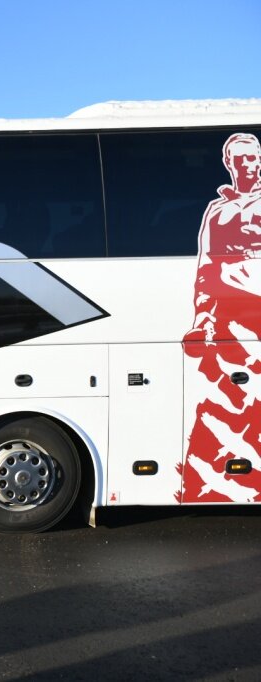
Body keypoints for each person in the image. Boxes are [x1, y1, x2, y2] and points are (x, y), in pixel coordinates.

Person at [182, 132, 261, 502]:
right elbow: (206, 270)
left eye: (255, 157)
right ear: (229, 164)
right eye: (243, 159)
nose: (251, 164)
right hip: (228, 324)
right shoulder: (217, 211)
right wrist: (202, 320)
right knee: (221, 407)